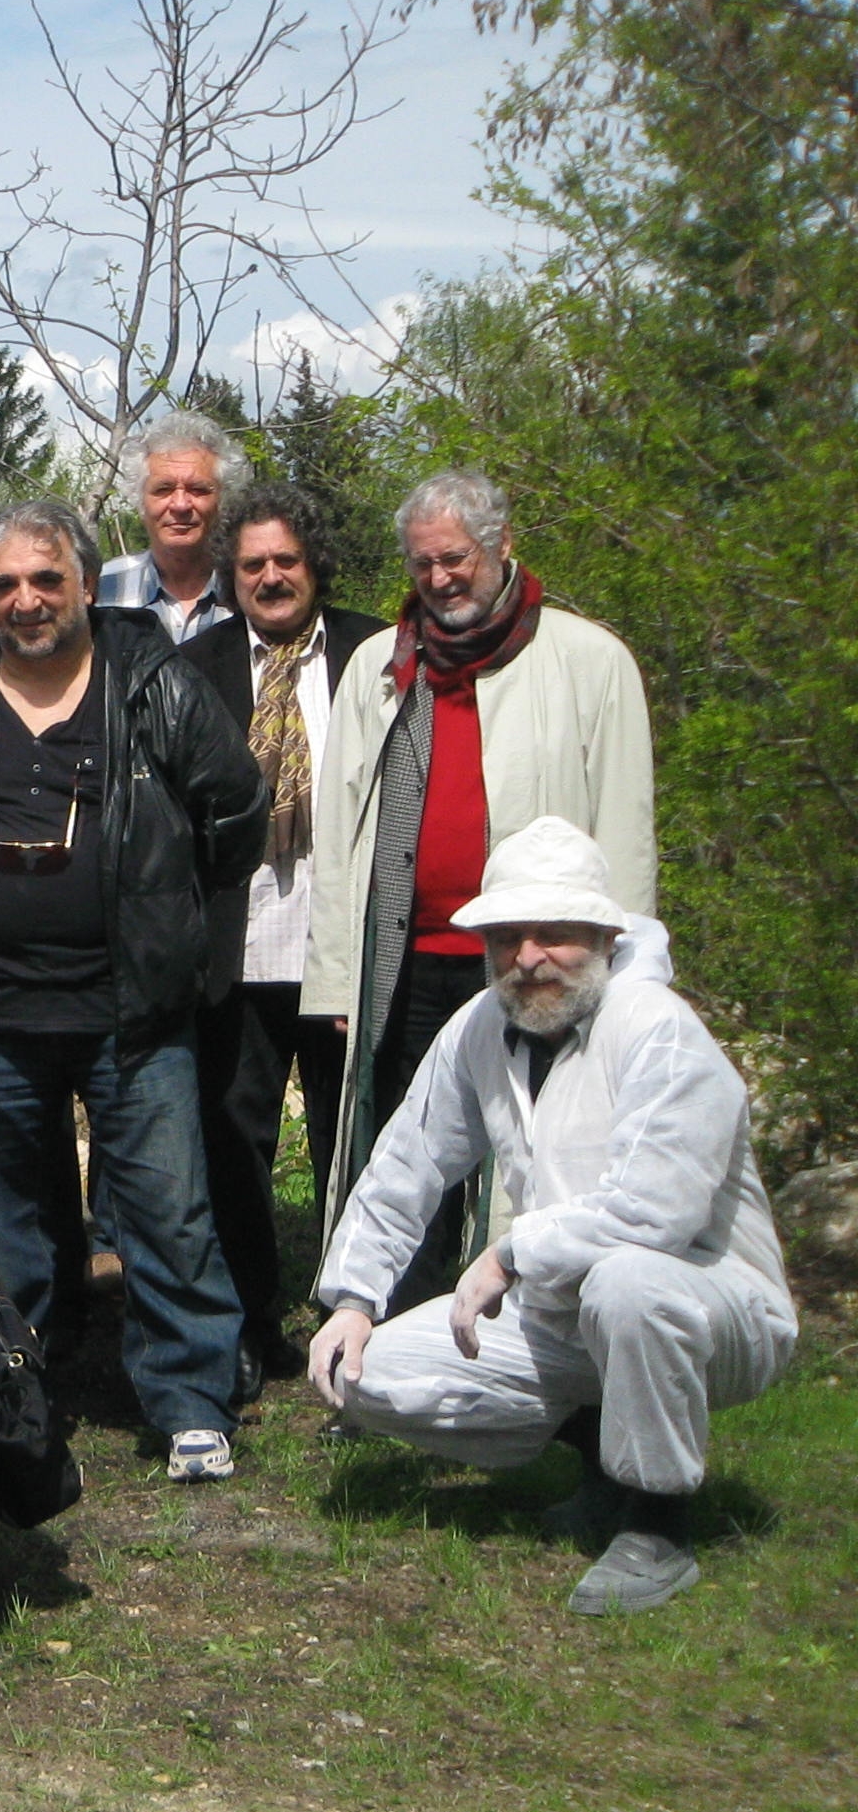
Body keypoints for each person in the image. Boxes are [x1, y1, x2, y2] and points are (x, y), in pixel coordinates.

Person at [307, 818, 791, 1615]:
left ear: (605, 933)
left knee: (629, 1283)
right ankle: (604, 1460)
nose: (528, 957)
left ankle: (657, 1524)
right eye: (508, 936)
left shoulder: (659, 1030)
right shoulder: (481, 1029)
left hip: (712, 1305)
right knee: (367, 1375)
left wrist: (508, 1255)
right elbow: (409, 1160)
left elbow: (655, 1215)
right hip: (565, 1308)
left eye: (554, 935)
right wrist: (355, 1299)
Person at [0, 498, 266, 1480]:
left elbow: (237, 807)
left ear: (87, 584)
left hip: (129, 1008)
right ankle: (15, 1389)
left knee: (168, 1209)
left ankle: (190, 1401)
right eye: (3, 584)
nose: (25, 600)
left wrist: (172, 909)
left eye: (46, 579)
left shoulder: (151, 683)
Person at [302, 471, 656, 1310]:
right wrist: (335, 974)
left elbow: (626, 825)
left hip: (535, 965)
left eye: (454, 558)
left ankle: (528, 1332)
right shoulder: (381, 668)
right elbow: (340, 831)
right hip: (405, 961)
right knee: (408, 1148)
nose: (439, 579)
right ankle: (395, 1329)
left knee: (537, 1149)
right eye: (423, 563)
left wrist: (631, 967)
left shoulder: (588, 660)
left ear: (501, 545)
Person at [176, 485, 387, 1399]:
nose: (270, 577)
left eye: (286, 562)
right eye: (253, 564)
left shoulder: (377, 655)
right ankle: (253, 1323)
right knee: (234, 1140)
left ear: (315, 567)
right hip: (241, 945)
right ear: (232, 575)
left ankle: (366, 1317)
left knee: (362, 1137)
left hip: (345, 947)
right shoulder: (196, 665)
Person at [96, 408, 244, 646]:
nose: (180, 505)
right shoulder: (102, 589)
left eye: (198, 489)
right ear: (139, 499)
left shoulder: (249, 588)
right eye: (163, 489)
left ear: (223, 500)